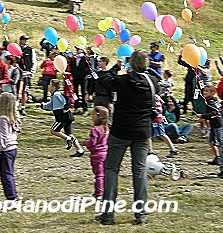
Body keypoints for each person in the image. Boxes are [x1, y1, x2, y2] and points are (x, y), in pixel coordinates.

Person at [94, 50, 157, 225]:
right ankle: (141, 213)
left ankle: (108, 213)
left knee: (111, 169)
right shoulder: (153, 82)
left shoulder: (124, 80)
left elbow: (104, 81)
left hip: (121, 130)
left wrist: (116, 68)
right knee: (139, 171)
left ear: (131, 63)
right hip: (142, 131)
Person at [36, 79, 84, 157]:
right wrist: (41, 105)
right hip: (67, 117)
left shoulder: (56, 95)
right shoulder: (54, 95)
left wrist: (67, 107)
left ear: (54, 87)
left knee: (53, 130)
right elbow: (50, 105)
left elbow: (67, 100)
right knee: (70, 133)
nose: (48, 86)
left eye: (50, 85)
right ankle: (79, 149)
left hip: (62, 117)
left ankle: (67, 139)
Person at [0, 92, 20, 201]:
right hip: (13, 148)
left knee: (5, 175)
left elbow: (3, 136)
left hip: (6, 149)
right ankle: (13, 196)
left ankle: (11, 198)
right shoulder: (13, 118)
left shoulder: (3, 119)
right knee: (9, 173)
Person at [82, 106, 109, 199]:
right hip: (105, 153)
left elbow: (93, 142)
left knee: (98, 175)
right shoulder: (106, 129)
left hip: (96, 155)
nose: (91, 116)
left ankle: (98, 192)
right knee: (105, 174)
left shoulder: (95, 130)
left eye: (93, 114)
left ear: (99, 116)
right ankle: (106, 190)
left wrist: (85, 143)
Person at [197, 85, 223, 165]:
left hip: (218, 124)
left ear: (213, 93)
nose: (205, 92)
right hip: (213, 124)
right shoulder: (210, 101)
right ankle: (217, 157)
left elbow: (215, 112)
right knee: (211, 141)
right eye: (204, 91)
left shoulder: (211, 102)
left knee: (221, 142)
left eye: (207, 91)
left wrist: (203, 116)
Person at [18, 35, 36, 117]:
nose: (25, 41)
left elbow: (33, 60)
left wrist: (32, 71)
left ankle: (22, 107)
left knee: (24, 90)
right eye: (24, 40)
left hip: (26, 72)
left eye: (26, 40)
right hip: (18, 72)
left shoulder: (30, 50)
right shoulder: (17, 48)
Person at [71, 45, 90, 115]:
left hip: (83, 78)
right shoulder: (74, 58)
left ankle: (85, 108)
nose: (77, 50)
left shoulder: (85, 58)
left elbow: (88, 67)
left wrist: (85, 74)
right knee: (75, 92)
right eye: (77, 49)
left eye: (79, 49)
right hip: (75, 78)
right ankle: (76, 107)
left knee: (83, 93)